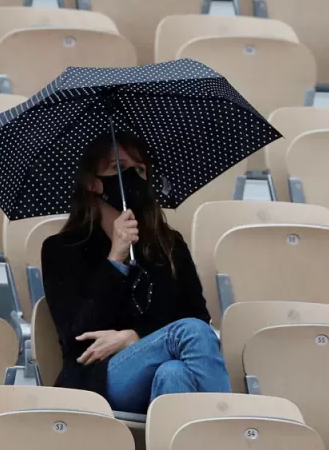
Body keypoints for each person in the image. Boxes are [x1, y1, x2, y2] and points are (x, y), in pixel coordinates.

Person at [41, 131, 230, 413]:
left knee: (174, 374)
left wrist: (135, 336)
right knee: (190, 333)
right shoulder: (61, 249)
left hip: (154, 371)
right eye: (118, 168)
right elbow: (77, 335)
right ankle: (228, 431)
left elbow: (198, 316)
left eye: (140, 169)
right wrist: (116, 256)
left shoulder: (169, 244)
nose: (132, 176)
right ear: (92, 183)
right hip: (96, 378)